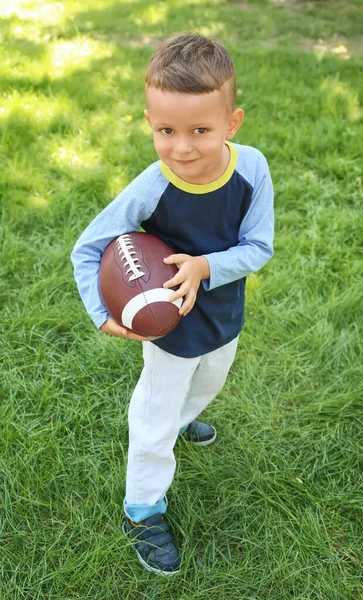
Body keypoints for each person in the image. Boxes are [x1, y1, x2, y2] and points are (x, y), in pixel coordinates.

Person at [71, 32, 274, 576]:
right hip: (167, 329)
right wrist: (102, 312)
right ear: (149, 122)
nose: (182, 147)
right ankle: (143, 510)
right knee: (153, 418)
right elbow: (89, 245)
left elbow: (259, 247)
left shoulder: (251, 169)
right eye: (166, 131)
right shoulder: (151, 186)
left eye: (200, 130)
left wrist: (206, 267)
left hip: (224, 318)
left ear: (232, 124)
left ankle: (187, 417)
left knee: (207, 385)